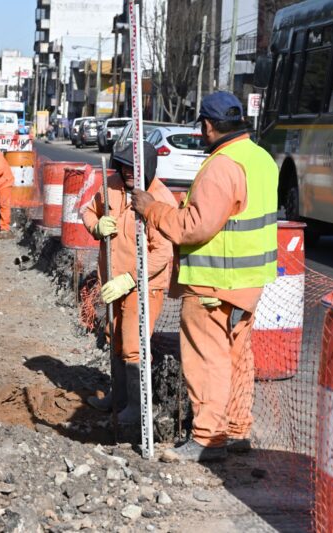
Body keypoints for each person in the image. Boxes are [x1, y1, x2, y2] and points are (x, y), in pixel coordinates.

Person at [132, 92, 278, 462]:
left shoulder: (222, 165)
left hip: (214, 282)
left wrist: (154, 211)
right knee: (237, 356)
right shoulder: (260, 158)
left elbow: (194, 227)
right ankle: (236, 429)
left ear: (208, 126)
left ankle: (208, 438)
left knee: (207, 359)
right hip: (247, 281)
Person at [81, 142, 176, 427]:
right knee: (115, 338)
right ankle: (118, 396)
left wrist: (131, 279)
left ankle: (136, 408)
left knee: (133, 346)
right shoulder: (110, 185)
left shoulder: (159, 200)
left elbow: (163, 252)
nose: (128, 174)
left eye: (134, 169)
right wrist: (95, 225)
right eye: (124, 168)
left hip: (143, 286)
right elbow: (88, 211)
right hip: (112, 281)